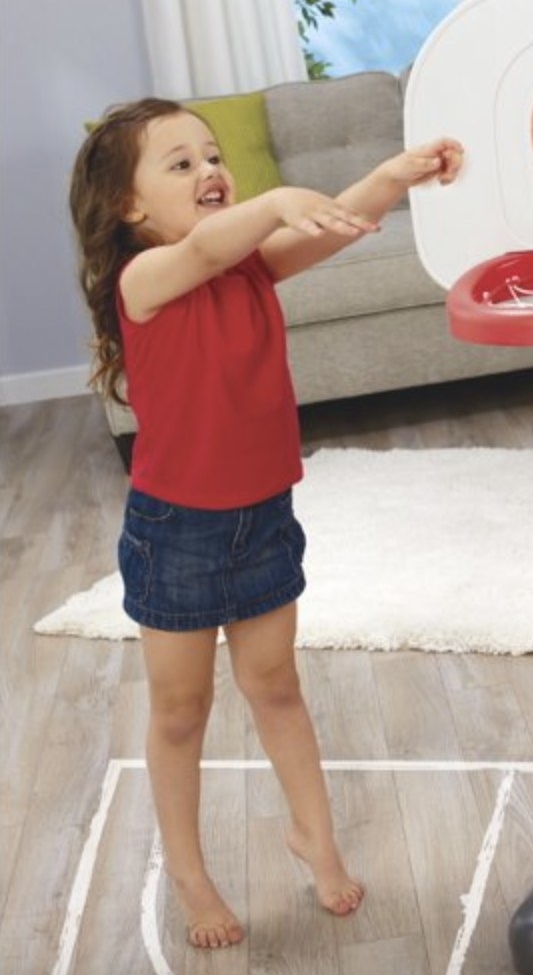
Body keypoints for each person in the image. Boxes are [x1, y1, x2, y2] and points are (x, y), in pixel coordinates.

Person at [69, 98, 463, 948]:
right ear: (130, 208)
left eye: (213, 156)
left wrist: (398, 172)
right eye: (180, 164)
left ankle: (313, 836)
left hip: (264, 515)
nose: (210, 171)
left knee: (276, 686)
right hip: (176, 532)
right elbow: (212, 242)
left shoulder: (250, 268)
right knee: (182, 711)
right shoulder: (143, 279)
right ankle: (190, 870)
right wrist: (277, 200)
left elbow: (341, 222)